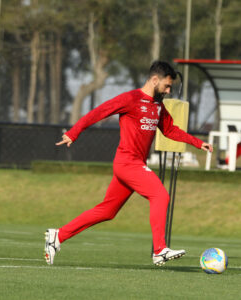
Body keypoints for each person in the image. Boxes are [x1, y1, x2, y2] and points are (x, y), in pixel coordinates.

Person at [44, 61, 213, 266]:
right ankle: (159, 250)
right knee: (160, 194)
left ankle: (58, 235)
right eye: (167, 86)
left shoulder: (158, 105)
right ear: (154, 80)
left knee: (107, 211)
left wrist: (197, 142)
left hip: (133, 165)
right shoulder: (131, 99)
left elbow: (169, 130)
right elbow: (99, 112)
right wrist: (73, 132)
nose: (169, 91)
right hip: (127, 163)